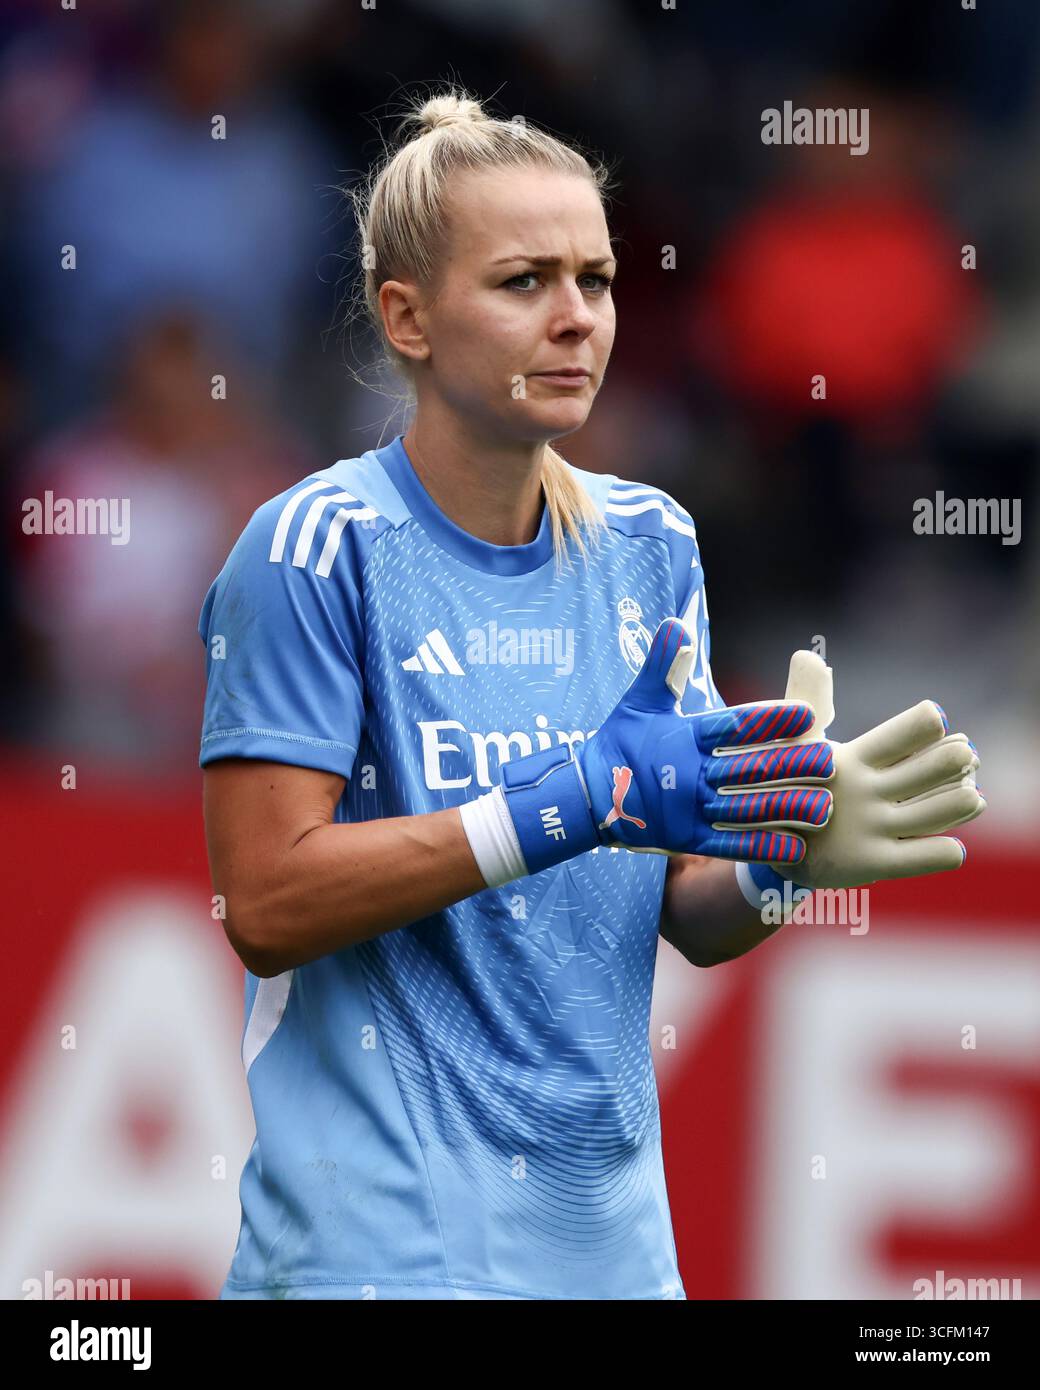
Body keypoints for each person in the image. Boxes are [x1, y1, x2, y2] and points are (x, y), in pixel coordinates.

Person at [198, 88, 984, 1300]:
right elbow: (266, 898)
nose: (576, 320)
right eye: (523, 283)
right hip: (379, 1260)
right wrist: (572, 797)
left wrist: (782, 858)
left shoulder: (650, 543)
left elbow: (682, 907)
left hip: (613, 1262)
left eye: (597, 279)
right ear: (405, 318)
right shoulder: (316, 548)